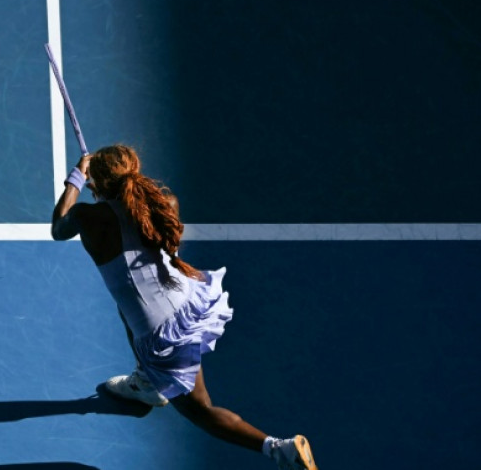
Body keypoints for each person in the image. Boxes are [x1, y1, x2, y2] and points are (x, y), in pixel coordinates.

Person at [51, 144, 318, 470]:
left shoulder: (86, 217)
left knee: (202, 411)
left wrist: (77, 177)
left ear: (100, 182)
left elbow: (58, 227)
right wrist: (104, 187)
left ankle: (281, 449)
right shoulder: (165, 204)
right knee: (126, 309)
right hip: (186, 303)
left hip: (162, 333)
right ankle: (147, 384)